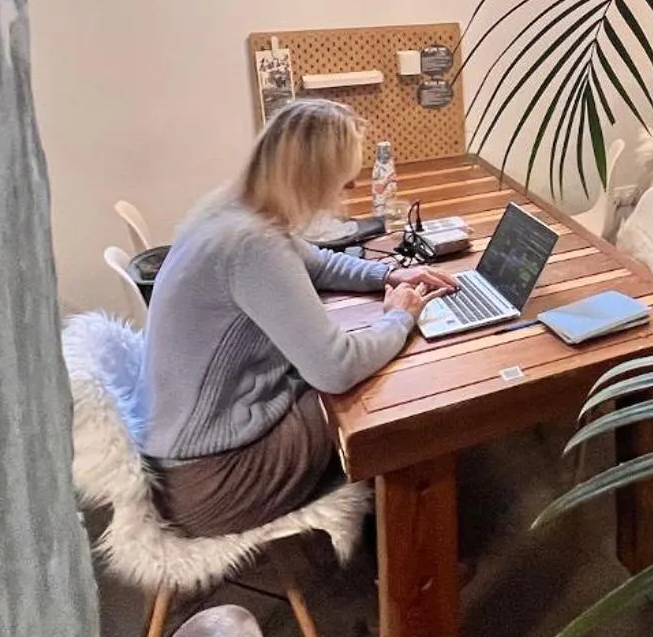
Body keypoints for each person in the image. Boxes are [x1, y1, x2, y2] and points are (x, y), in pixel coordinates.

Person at [141, 98, 455, 536]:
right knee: (389, 407)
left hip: (177, 454)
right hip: (211, 481)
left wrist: (390, 273)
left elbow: (317, 263)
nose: (348, 192)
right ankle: (420, 567)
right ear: (312, 179)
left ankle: (387, 531)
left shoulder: (232, 206)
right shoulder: (252, 244)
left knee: (357, 385)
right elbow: (336, 367)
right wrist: (398, 319)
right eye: (342, 180)